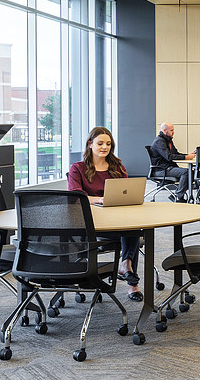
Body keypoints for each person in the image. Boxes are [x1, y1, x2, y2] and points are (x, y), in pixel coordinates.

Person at [68, 126, 143, 301]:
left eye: (108, 144)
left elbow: (125, 191)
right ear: (90, 144)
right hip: (92, 224)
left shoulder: (117, 166)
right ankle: (132, 281)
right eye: (100, 143)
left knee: (132, 227)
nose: (105, 147)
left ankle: (126, 267)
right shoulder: (78, 168)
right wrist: (100, 199)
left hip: (117, 218)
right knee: (130, 233)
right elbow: (75, 196)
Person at [150, 122, 195, 202]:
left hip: (168, 168)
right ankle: (178, 196)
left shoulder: (168, 140)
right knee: (186, 172)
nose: (173, 132)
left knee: (191, 173)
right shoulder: (159, 142)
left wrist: (188, 155)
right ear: (165, 130)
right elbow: (169, 157)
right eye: (171, 130)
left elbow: (175, 154)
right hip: (161, 170)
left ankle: (176, 195)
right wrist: (186, 157)